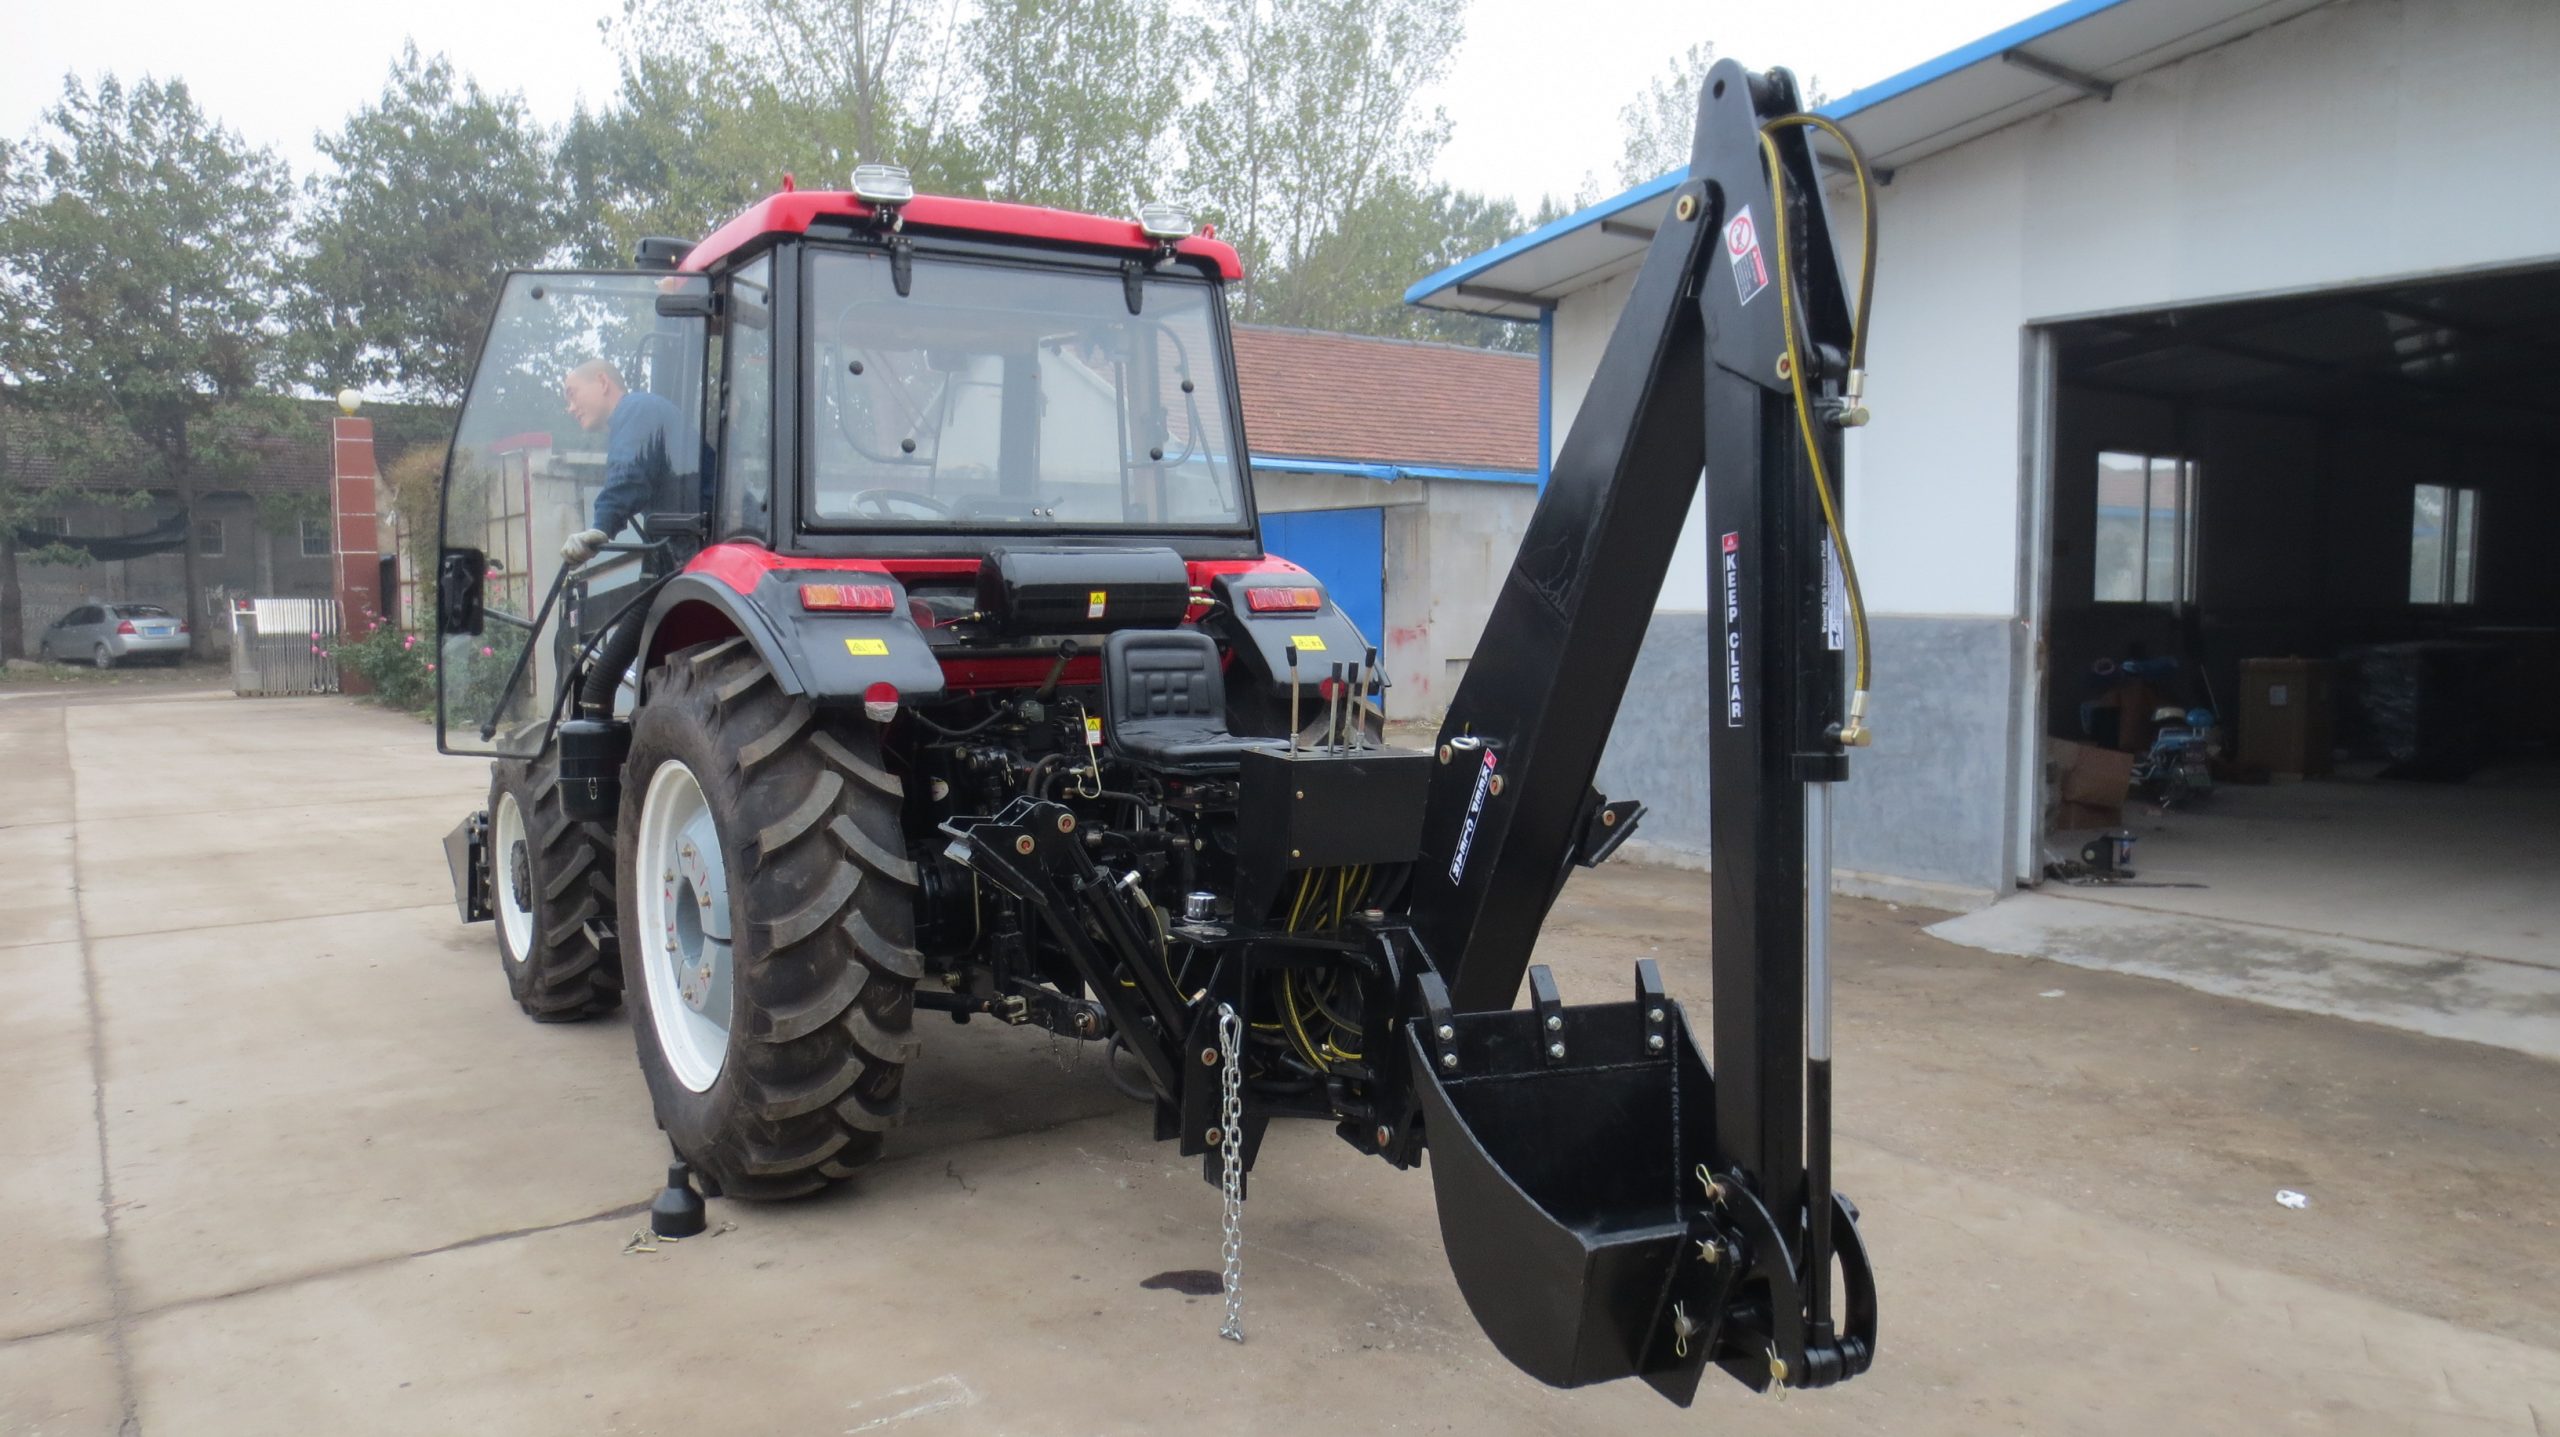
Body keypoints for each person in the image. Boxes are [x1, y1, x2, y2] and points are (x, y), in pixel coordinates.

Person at [559, 358, 687, 564]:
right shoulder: (634, 418)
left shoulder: (637, 409)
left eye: (572, 395)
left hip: (706, 542)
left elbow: (628, 474)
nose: (571, 408)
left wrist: (601, 526)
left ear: (602, 382)